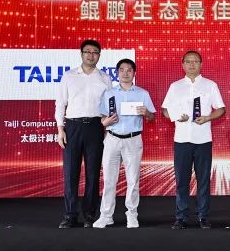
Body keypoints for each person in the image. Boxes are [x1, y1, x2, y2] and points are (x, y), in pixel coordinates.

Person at [160, 50, 226, 229]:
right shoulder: (175, 86)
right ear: (182, 65)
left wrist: (208, 117)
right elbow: (165, 110)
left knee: (203, 180)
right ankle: (181, 217)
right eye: (188, 61)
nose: (191, 64)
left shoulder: (210, 85)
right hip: (182, 140)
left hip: (203, 140)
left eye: (195, 61)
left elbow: (221, 109)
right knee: (181, 181)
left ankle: (203, 216)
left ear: (201, 64)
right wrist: (175, 116)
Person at [54, 39, 113, 228]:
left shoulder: (105, 78)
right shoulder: (69, 76)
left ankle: (89, 215)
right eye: (87, 51)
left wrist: (107, 128)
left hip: (95, 127)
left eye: (95, 52)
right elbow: (60, 103)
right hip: (73, 127)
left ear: (99, 56)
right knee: (71, 173)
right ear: (81, 54)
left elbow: (109, 106)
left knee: (93, 174)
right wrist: (60, 129)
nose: (91, 55)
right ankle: (70, 215)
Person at [93, 58, 156, 229]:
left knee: (133, 180)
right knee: (109, 180)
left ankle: (132, 214)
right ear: (117, 73)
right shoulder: (109, 93)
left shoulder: (142, 93)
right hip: (112, 139)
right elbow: (102, 117)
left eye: (129, 70)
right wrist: (106, 122)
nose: (125, 73)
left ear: (134, 73)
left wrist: (146, 113)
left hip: (133, 140)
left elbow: (151, 118)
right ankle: (106, 216)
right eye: (122, 70)